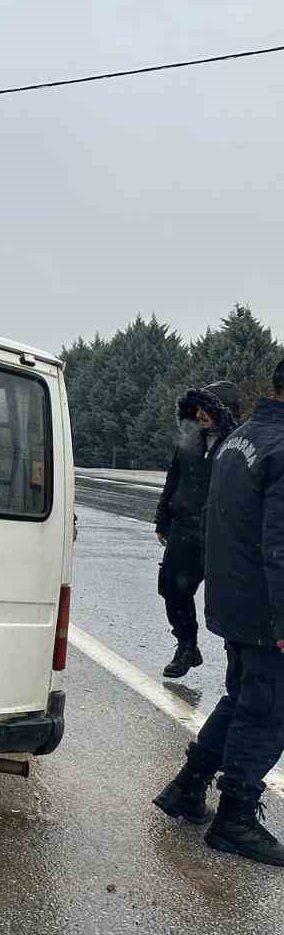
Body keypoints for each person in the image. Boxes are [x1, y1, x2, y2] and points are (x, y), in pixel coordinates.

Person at [153, 358, 284, 866]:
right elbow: (279, 543)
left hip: (235, 601)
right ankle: (235, 819)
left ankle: (188, 785)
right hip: (265, 610)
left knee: (241, 699)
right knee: (269, 711)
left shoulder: (243, 438)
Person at [154, 381, 240, 677]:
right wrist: (162, 516)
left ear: (224, 411)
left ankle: (238, 663)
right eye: (198, 407)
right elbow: (173, 478)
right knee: (171, 586)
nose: (200, 414)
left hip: (220, 535)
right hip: (184, 528)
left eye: (207, 408)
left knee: (228, 601)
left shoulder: (238, 446)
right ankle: (187, 647)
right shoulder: (190, 440)